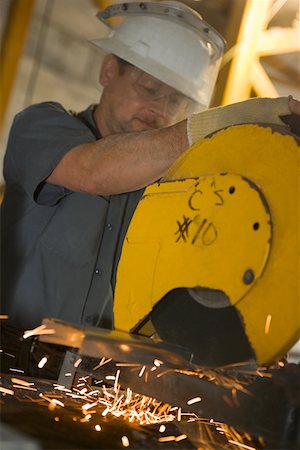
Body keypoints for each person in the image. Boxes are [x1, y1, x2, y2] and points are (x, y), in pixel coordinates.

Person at [1, 1, 299, 375]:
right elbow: (94, 170)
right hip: (10, 360)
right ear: (109, 71)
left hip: (94, 385)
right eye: (150, 89)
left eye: (176, 100)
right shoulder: (41, 126)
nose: (159, 110)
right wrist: (226, 123)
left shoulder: (173, 187)